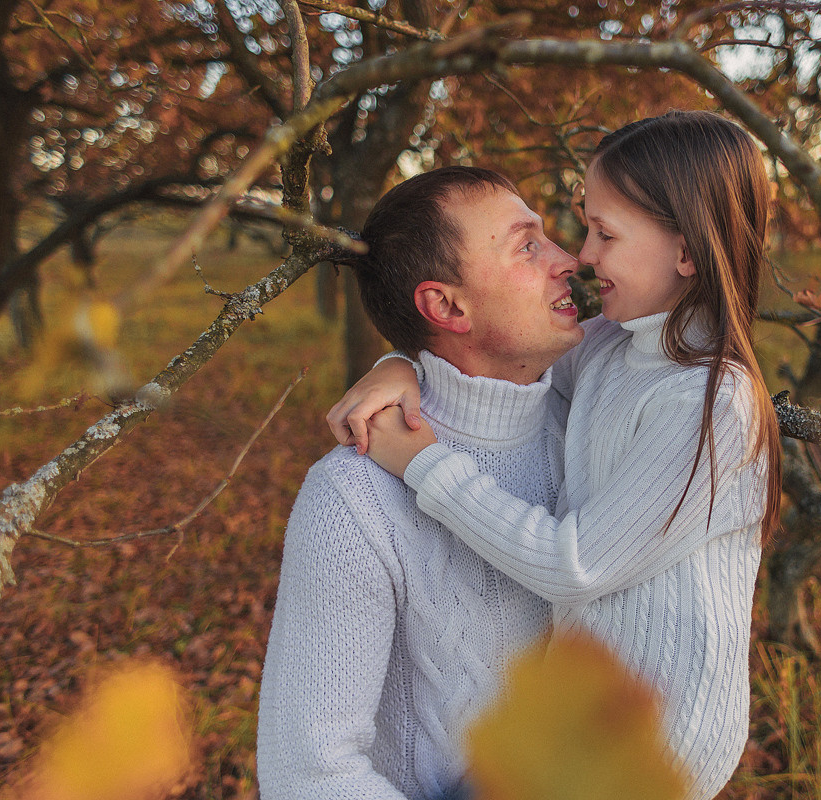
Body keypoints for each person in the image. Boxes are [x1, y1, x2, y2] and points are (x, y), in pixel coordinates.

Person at [329, 110, 782, 800]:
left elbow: (574, 564)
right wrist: (402, 362)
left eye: (605, 233)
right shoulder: (612, 347)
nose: (584, 256)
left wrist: (421, 464)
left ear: (686, 252)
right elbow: (496, 362)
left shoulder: (709, 401)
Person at [257, 166, 586, 800]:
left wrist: (397, 361)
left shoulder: (590, 423)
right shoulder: (352, 501)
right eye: (527, 246)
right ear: (446, 305)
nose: (568, 260)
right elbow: (307, 776)